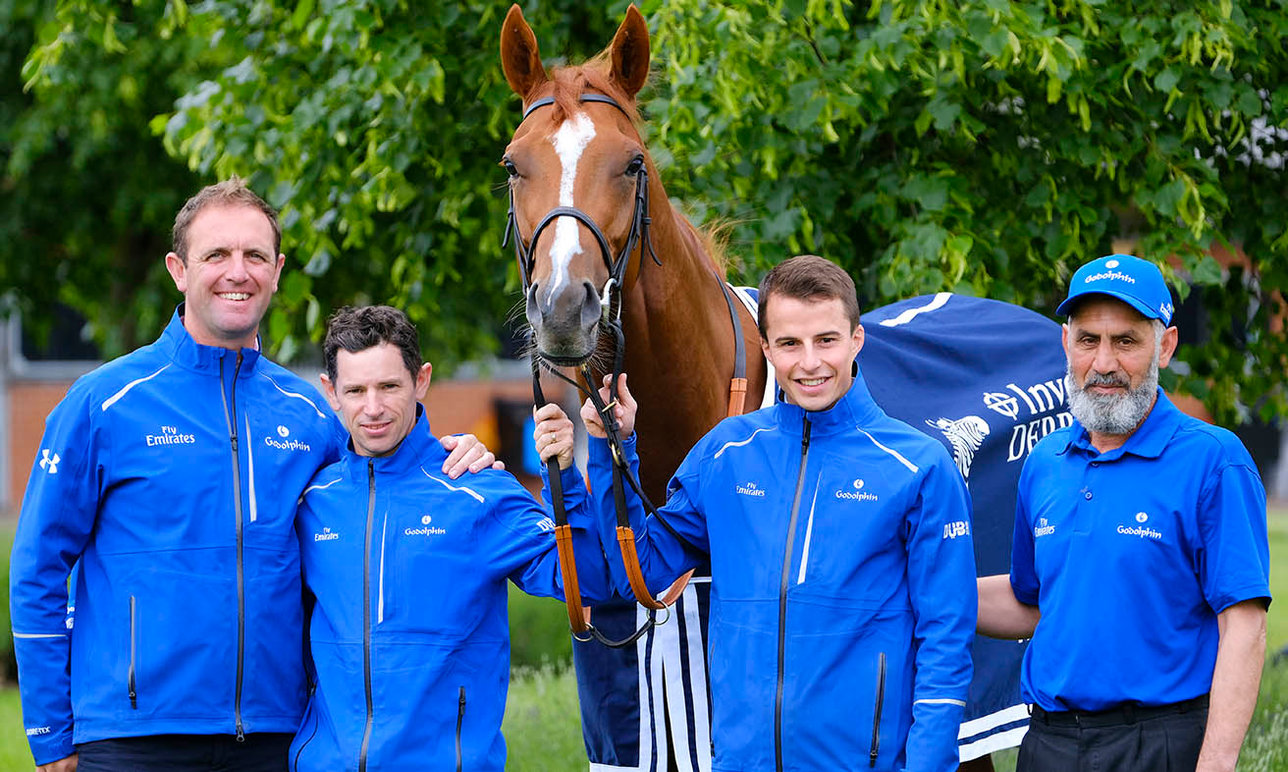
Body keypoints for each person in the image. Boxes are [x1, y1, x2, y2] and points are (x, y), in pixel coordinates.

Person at [9, 180, 497, 772]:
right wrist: (50, 733)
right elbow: (37, 564)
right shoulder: (103, 403)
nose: (236, 272)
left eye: (255, 256)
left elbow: (384, 483)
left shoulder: (313, 414)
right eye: (216, 255)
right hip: (131, 738)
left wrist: (455, 453)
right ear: (178, 270)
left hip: (275, 736)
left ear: (276, 269)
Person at [538, 255, 977, 771]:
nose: (810, 363)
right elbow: (640, 572)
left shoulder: (918, 466)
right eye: (790, 344)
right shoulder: (726, 452)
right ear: (767, 348)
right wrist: (615, 448)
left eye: (826, 340)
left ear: (857, 340)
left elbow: (945, 643)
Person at [976, 254, 1271, 772]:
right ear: (1067, 344)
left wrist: (1217, 763)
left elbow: (1243, 626)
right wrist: (921, 586)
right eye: (1089, 340)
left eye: (1126, 341)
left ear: (1166, 344)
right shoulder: (1046, 461)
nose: (1104, 362)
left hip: (1160, 744)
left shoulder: (1213, 460)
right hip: (1048, 744)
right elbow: (1032, 601)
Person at [287, 305, 609, 771]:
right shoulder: (312, 502)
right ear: (330, 392)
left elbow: (589, 583)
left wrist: (567, 482)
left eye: (389, 387)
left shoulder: (478, 489)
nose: (372, 408)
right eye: (355, 390)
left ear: (421, 381)